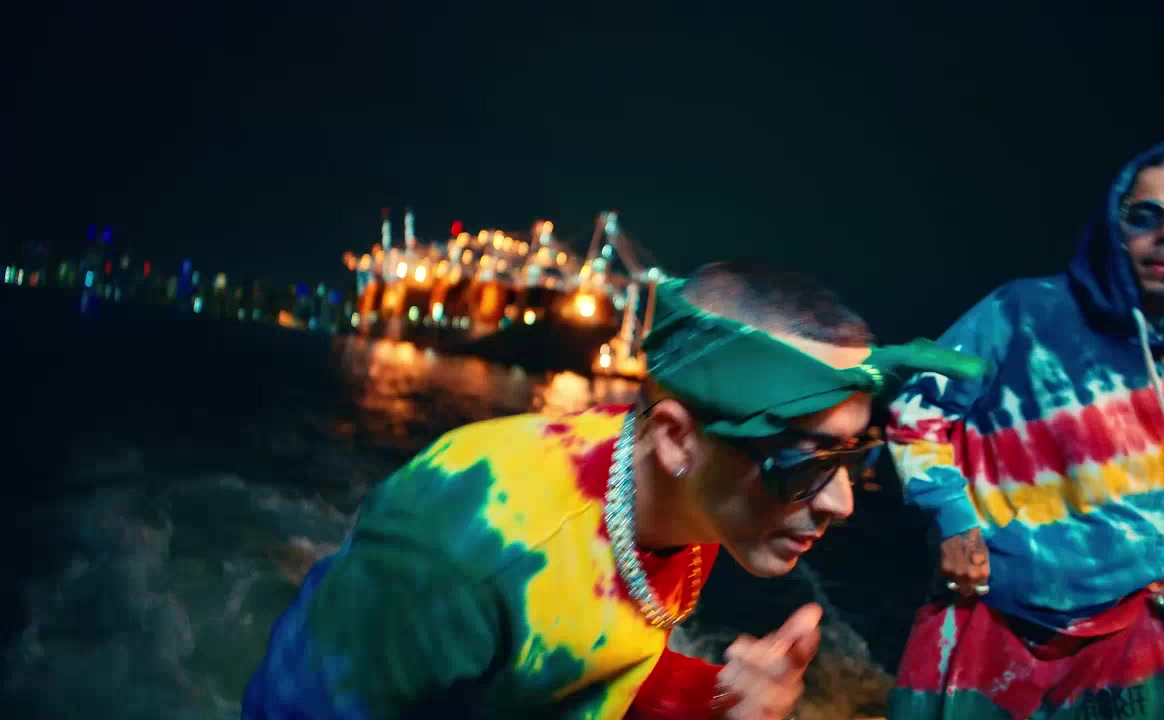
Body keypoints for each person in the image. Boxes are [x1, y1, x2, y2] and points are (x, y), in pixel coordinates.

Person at [242, 261, 986, 720]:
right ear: (676, 439)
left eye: (852, 455)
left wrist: (712, 700)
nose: (842, 502)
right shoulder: (464, 551)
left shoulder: (696, 496)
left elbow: (584, 659)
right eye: (803, 460)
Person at [885, 140, 1164, 719]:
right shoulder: (1020, 313)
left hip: (1125, 629)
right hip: (983, 613)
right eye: (1145, 216)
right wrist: (953, 521)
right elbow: (918, 409)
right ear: (1115, 230)